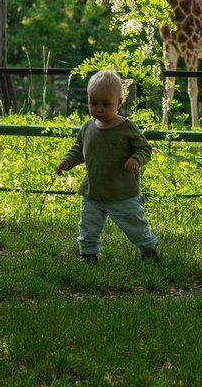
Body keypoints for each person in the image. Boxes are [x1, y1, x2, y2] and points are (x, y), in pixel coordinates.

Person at [55, 69, 159, 263]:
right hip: (93, 192)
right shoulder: (87, 128)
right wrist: (67, 161)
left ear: (119, 103)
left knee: (135, 224)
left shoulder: (126, 128)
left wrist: (136, 160)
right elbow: (78, 149)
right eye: (93, 103)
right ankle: (88, 254)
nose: (99, 109)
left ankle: (148, 250)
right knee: (88, 226)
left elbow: (144, 148)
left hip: (122, 193)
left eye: (105, 104)